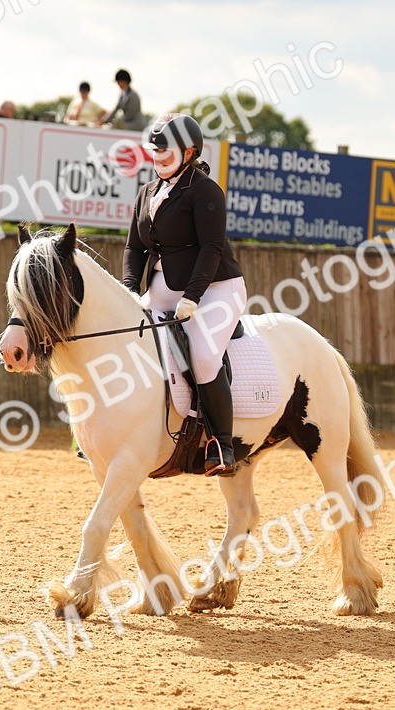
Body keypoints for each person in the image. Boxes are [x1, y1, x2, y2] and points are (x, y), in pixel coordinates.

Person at [123, 113, 246, 476]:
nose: (158, 157)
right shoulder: (146, 192)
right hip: (164, 288)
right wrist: (130, 289)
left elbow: (210, 248)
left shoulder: (205, 191)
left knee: (204, 355)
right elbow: (134, 248)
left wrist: (193, 296)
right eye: (155, 151)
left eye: (167, 151)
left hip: (215, 288)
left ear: (189, 151)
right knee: (128, 340)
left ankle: (221, 444)